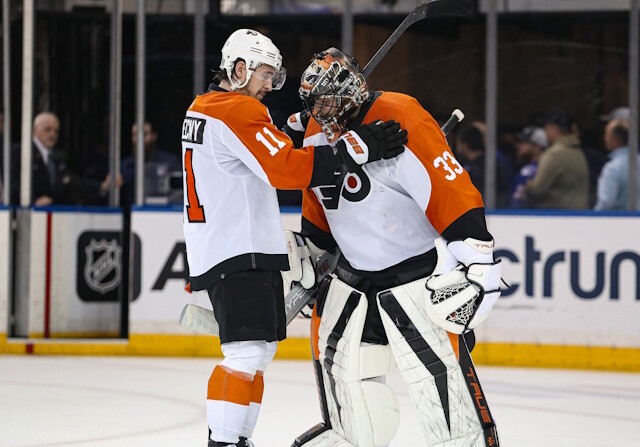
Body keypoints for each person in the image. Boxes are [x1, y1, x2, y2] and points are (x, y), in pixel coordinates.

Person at [181, 31, 407, 447]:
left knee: (256, 354)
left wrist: (299, 129)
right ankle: (225, 443)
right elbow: (286, 170)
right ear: (239, 68)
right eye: (265, 74)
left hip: (227, 248)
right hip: (239, 253)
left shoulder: (202, 108)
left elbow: (256, 157)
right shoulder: (237, 110)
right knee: (244, 355)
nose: (270, 84)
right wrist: (357, 146)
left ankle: (236, 440)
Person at [285, 48, 503, 447]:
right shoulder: (317, 129)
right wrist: (314, 258)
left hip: (414, 278)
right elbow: (318, 199)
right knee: (347, 388)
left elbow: (446, 184)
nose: (322, 110)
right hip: (350, 281)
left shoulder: (399, 113)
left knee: (444, 396)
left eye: (329, 100)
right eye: (315, 102)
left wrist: (476, 253)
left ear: (351, 92)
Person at [525, 107, 589, 209]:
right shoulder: (578, 152)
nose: (544, 132)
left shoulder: (554, 155)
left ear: (554, 128)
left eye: (545, 127)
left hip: (556, 218)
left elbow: (537, 190)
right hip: (575, 216)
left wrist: (527, 185)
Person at [121, 121, 180, 208]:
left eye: (144, 134)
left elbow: (180, 194)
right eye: (135, 134)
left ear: (154, 136)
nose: (139, 139)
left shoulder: (169, 162)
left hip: (164, 215)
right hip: (132, 217)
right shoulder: (125, 166)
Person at [594, 119, 640, 210]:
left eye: (606, 135)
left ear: (615, 140)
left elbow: (606, 203)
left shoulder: (612, 168)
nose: (604, 138)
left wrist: (592, 220)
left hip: (621, 221)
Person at [510, 126, 547, 208]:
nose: (518, 145)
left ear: (538, 145)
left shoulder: (544, 169)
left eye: (524, 142)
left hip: (532, 216)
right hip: (514, 216)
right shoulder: (523, 167)